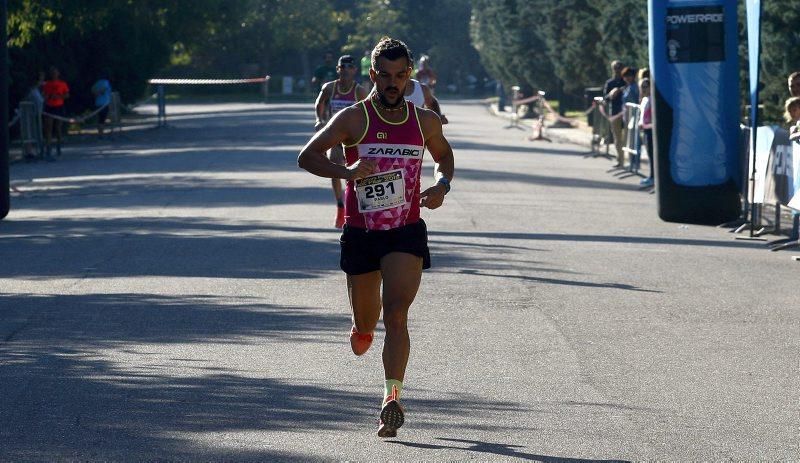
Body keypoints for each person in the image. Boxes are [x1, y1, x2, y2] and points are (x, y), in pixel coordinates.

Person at [297, 36, 455, 439]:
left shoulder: (424, 121)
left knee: (397, 313)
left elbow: (444, 156)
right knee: (368, 325)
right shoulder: (353, 119)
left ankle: (391, 399)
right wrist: (348, 173)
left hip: (405, 231)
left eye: (400, 75)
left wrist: (442, 185)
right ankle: (361, 327)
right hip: (362, 233)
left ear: (409, 76)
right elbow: (308, 156)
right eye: (384, 75)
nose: (392, 83)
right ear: (372, 75)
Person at [314, 55, 370, 228]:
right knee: (335, 167)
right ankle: (340, 205)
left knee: (357, 173)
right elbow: (319, 103)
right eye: (342, 67)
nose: (346, 70)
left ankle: (358, 206)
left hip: (354, 138)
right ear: (338, 69)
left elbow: (368, 111)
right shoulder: (330, 88)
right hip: (336, 137)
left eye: (349, 67)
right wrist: (319, 119)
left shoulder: (359, 91)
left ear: (354, 70)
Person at [42, 66, 70, 160]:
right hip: (49, 107)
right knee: (48, 128)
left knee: (58, 128)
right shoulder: (47, 84)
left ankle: (58, 145)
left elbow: (67, 95)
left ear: (58, 74)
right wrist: (49, 97)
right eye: (52, 73)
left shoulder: (62, 84)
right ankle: (48, 148)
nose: (54, 74)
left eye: (55, 72)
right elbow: (44, 95)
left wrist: (59, 96)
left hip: (59, 107)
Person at [603, 61, 626, 168]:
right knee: (617, 138)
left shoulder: (626, 81)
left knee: (627, 137)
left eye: (619, 68)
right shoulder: (610, 83)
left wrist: (620, 89)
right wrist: (611, 94)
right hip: (615, 113)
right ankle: (620, 160)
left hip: (627, 112)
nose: (617, 70)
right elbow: (605, 98)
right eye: (615, 68)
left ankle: (631, 160)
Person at [23, 71, 45, 162]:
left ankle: (35, 151)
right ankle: (29, 152)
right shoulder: (31, 91)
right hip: (29, 116)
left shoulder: (37, 91)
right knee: (29, 132)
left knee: (36, 133)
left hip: (36, 115)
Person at [639, 78, 654, 187]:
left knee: (653, 155)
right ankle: (651, 176)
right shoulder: (644, 100)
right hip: (645, 130)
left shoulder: (653, 100)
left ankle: (654, 177)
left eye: (645, 86)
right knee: (649, 153)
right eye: (642, 87)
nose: (643, 89)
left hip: (651, 130)